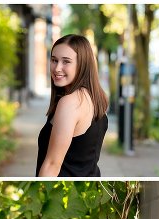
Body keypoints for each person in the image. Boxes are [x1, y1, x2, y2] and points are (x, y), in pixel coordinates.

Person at [36, 35, 109, 177]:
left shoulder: (70, 103)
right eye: (54, 60)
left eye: (66, 62)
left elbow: (52, 165)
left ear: (82, 64)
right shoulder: (95, 98)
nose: (57, 68)